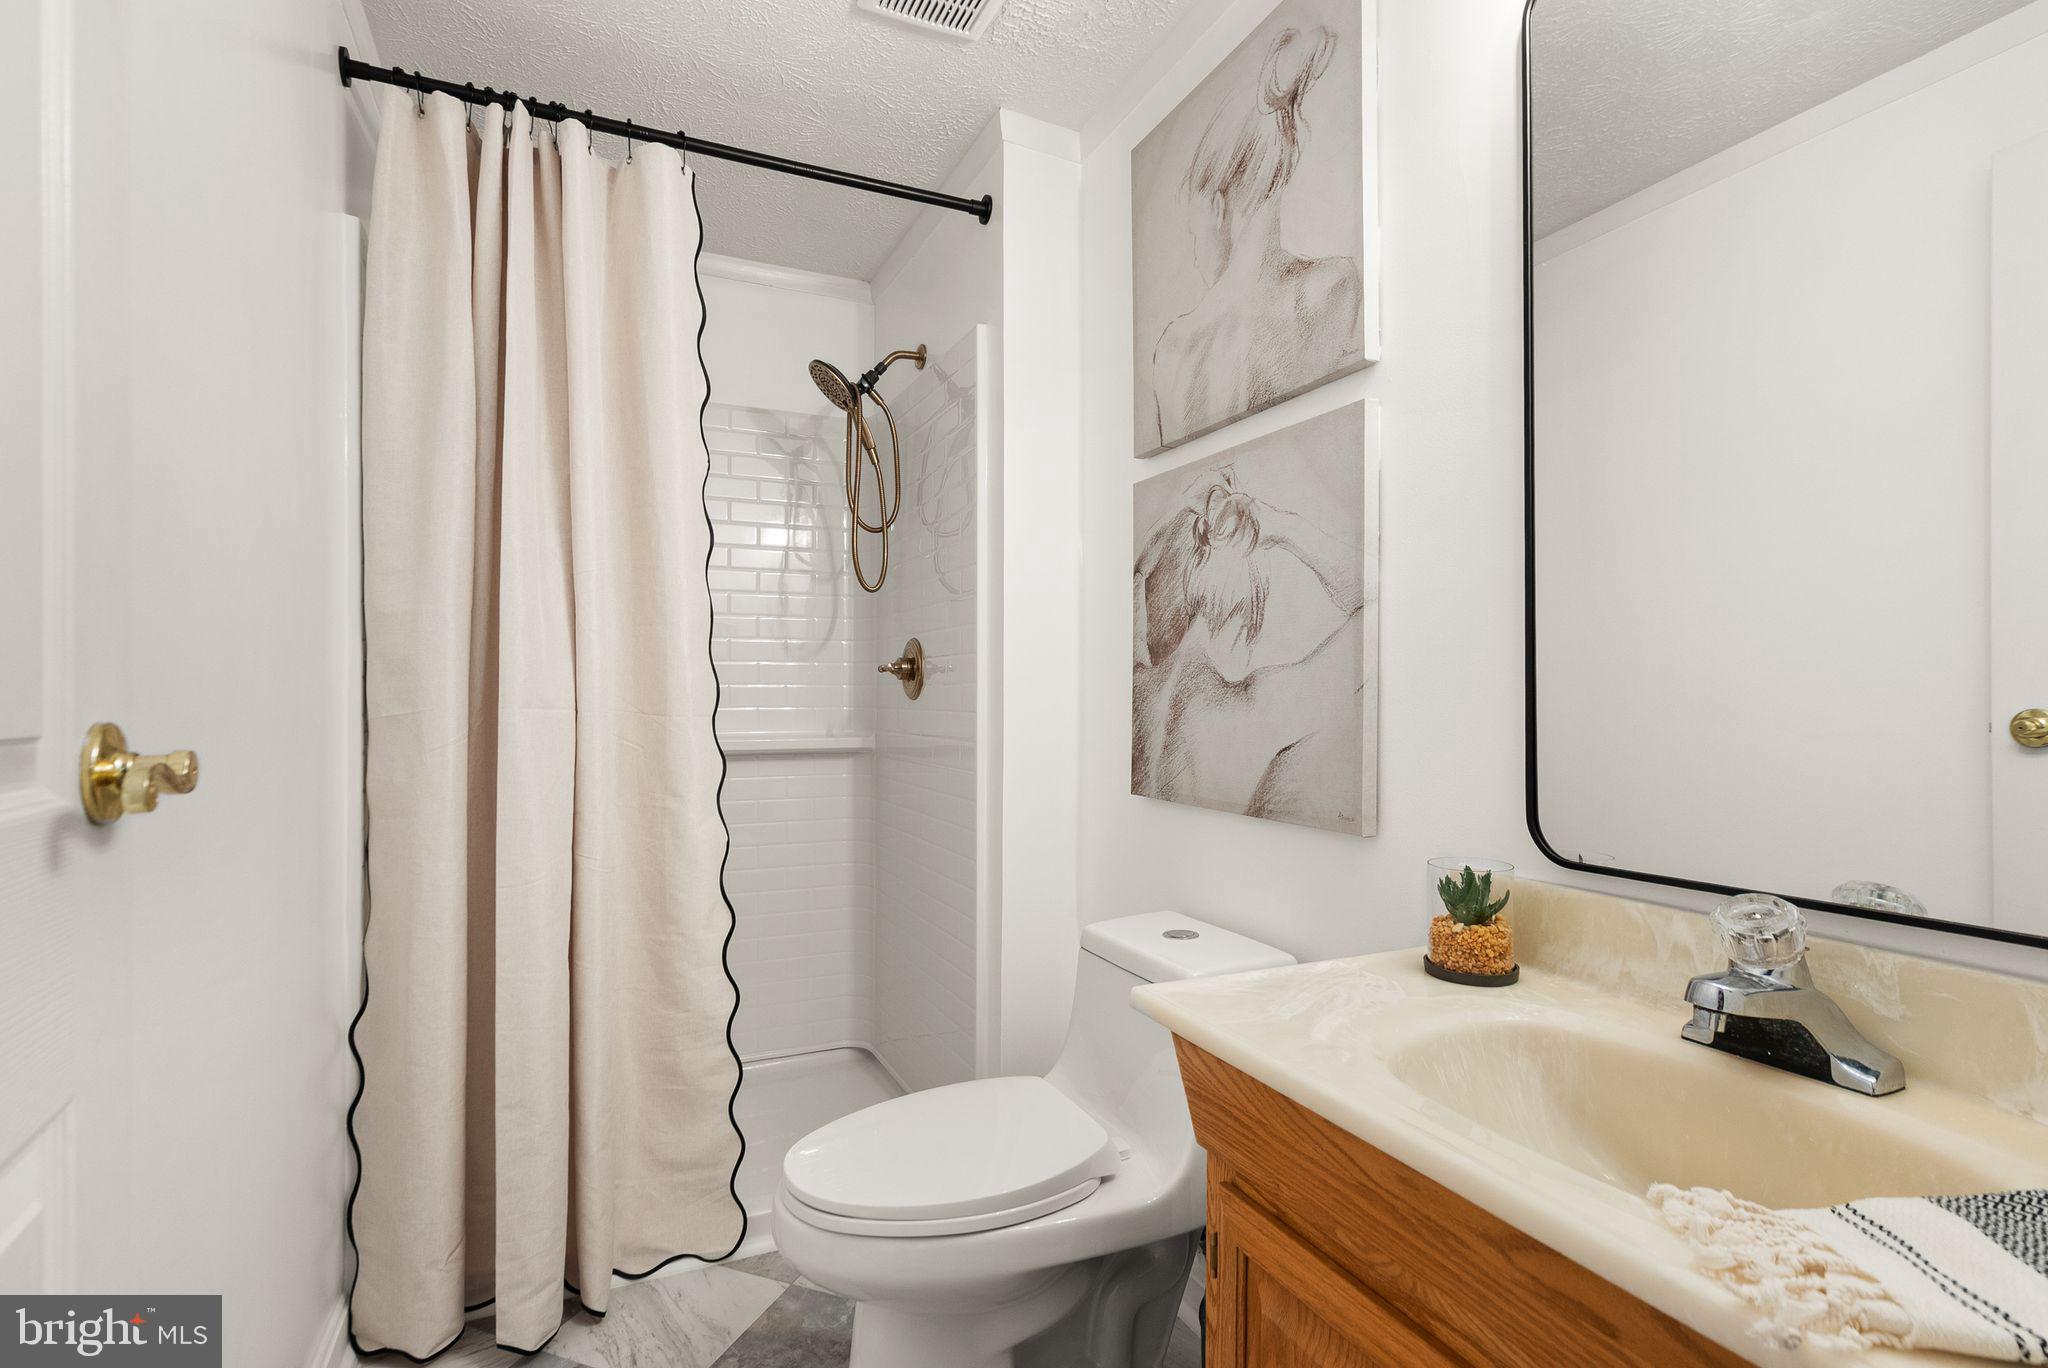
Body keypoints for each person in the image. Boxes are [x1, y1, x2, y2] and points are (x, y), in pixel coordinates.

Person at [1149, 25, 1365, 450]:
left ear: (1216, 208)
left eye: (1194, 237)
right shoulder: (1331, 287)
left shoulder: (1174, 350)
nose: (1197, 257)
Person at [1133, 470, 1365, 831]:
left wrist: (1180, 514)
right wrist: (1284, 527)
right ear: (1250, 619)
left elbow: (1138, 573)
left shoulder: (1135, 683)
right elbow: (1385, 601)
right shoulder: (1256, 708)